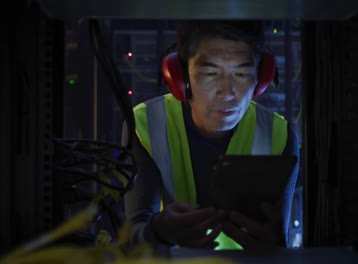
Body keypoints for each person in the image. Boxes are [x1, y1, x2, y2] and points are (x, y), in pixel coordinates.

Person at [122, 19, 300, 250]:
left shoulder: (279, 134)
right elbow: (134, 238)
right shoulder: (147, 124)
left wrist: (277, 247)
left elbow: (279, 242)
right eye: (210, 72)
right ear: (179, 77)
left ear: (261, 79)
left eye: (242, 73)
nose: (227, 92)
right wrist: (157, 231)